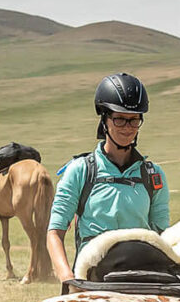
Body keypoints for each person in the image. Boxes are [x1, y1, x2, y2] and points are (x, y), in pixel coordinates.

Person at [46, 73, 170, 283]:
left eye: (134, 120)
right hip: (92, 276)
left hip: (142, 276)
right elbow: (54, 234)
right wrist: (68, 279)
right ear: (104, 119)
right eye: (119, 119)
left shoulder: (153, 175)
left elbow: (162, 236)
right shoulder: (80, 171)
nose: (128, 128)